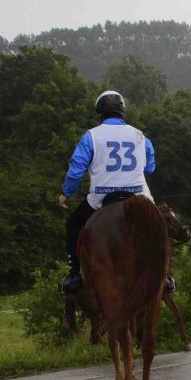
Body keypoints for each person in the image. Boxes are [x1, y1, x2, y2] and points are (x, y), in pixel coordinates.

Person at [58, 90, 156, 293]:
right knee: (160, 226)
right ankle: (166, 276)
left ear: (99, 112)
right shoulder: (140, 136)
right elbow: (150, 168)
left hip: (101, 198)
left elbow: (76, 171)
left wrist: (66, 193)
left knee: (74, 224)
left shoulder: (91, 136)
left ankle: (74, 274)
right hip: (138, 196)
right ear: (122, 111)